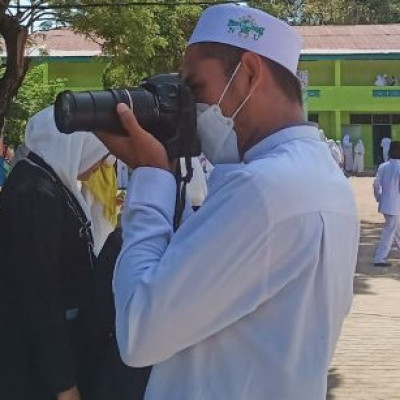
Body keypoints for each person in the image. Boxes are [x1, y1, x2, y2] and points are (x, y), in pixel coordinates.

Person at [97, 4, 359, 400]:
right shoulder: (321, 175)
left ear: (250, 73)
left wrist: (152, 175)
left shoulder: (261, 188)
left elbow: (139, 332)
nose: (192, 108)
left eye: (196, 89)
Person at [0, 106, 110, 400]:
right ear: (73, 143)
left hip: (52, 348)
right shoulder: (34, 193)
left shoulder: (46, 183)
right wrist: (65, 385)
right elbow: (39, 295)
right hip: (36, 365)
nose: (99, 165)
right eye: (97, 153)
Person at [81, 155, 119, 256]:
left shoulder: (110, 176)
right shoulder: (92, 176)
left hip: (108, 232)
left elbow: (111, 206)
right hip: (95, 237)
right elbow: (84, 207)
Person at [373, 142, 400, 267]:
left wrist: (379, 197)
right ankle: (379, 258)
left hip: (386, 204)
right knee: (389, 231)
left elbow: (376, 184)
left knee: (396, 229)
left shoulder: (383, 166)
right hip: (395, 204)